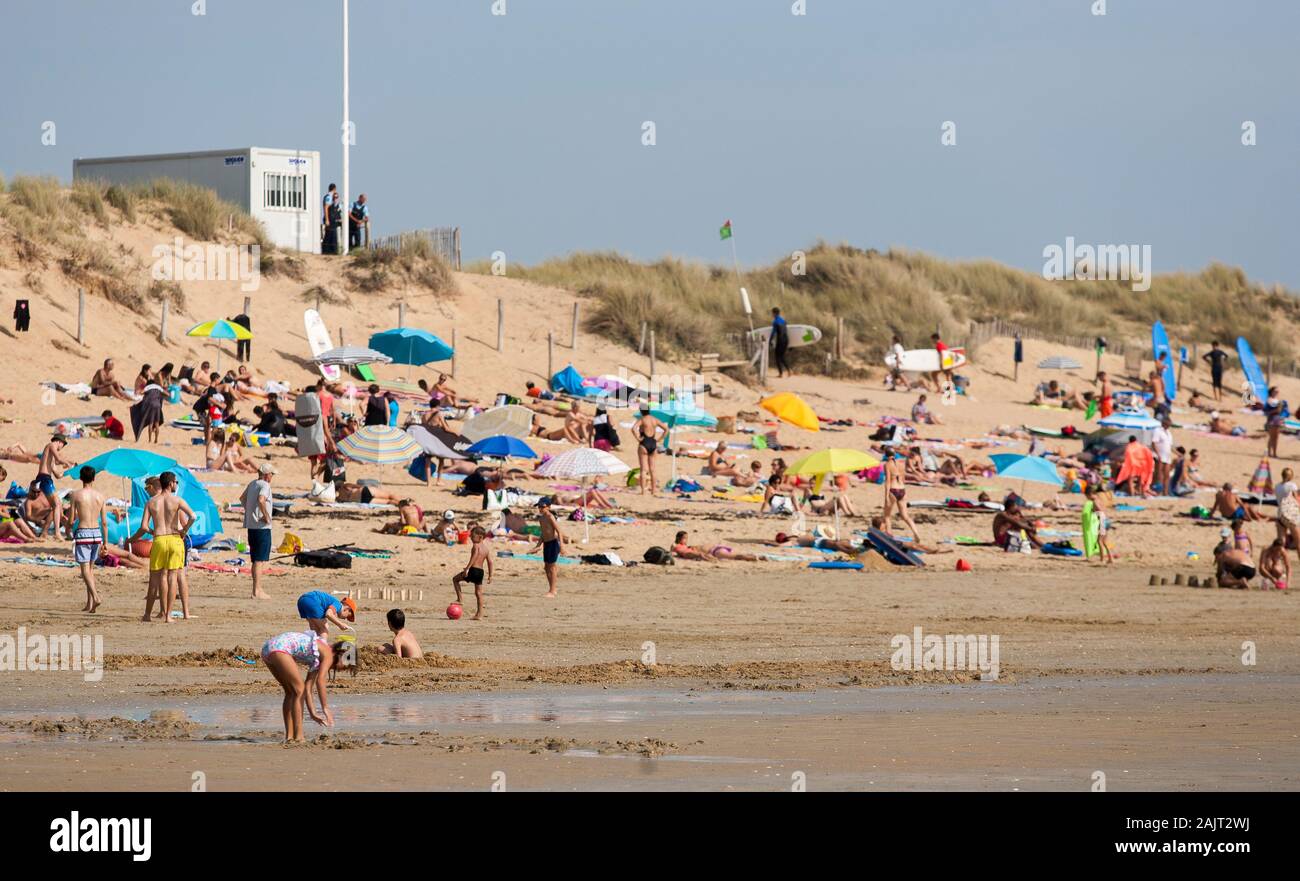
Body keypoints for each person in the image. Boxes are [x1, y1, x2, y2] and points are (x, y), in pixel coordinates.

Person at [260, 631, 352, 742]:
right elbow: (320, 681)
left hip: (268, 649)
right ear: (342, 653)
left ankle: (289, 737)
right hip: (280, 648)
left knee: (291, 692)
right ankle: (299, 737)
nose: (344, 669)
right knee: (299, 691)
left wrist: (313, 713)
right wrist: (325, 708)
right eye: (347, 665)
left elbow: (308, 688)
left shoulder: (318, 656)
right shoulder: (328, 654)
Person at [129, 471, 195, 622]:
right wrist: (184, 530)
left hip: (159, 539)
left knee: (155, 579)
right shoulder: (177, 500)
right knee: (173, 577)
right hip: (175, 539)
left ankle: (147, 614)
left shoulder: (151, 502)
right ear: (171, 483)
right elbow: (193, 516)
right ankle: (168, 615)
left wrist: (153, 531)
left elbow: (144, 527)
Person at [68, 465, 108, 613]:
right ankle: (90, 604)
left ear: (80, 478)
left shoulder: (76, 495)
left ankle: (96, 597)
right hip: (96, 533)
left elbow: (72, 520)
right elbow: (104, 522)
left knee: (85, 569)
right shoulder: (100, 496)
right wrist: (106, 542)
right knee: (90, 570)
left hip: (83, 532)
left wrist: (67, 525)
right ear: (94, 478)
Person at [243, 463, 277, 600]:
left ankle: (256, 588)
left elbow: (242, 499)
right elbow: (261, 500)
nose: (272, 477)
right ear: (267, 474)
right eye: (272, 474)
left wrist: (251, 513)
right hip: (261, 528)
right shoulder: (265, 485)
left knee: (256, 559)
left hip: (251, 526)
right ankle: (257, 590)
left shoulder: (252, 484)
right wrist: (266, 516)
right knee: (259, 560)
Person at [36, 434, 74, 540]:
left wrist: (69, 471)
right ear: (59, 442)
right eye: (63, 444)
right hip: (44, 478)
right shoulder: (51, 445)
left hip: (46, 479)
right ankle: (57, 533)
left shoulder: (50, 458)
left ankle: (44, 532)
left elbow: (58, 475)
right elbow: (59, 458)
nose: (62, 447)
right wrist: (68, 463)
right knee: (57, 504)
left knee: (56, 506)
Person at [452, 526, 493, 620]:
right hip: (480, 572)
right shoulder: (486, 549)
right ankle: (479, 614)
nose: (470, 537)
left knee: (455, 579)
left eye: (472, 536)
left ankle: (460, 599)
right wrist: (490, 575)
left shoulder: (476, 546)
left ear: (480, 537)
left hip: (473, 570)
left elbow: (474, 556)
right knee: (479, 593)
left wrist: (467, 568)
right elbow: (490, 562)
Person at [881, 450, 920, 542]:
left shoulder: (887, 464)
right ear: (894, 454)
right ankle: (916, 532)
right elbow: (903, 479)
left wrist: (886, 496)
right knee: (905, 515)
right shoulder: (901, 464)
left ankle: (889, 536)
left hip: (893, 489)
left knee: (887, 516)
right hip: (902, 489)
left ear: (886, 455)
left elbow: (888, 481)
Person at [532, 497, 564, 598]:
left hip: (553, 543)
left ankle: (552, 591)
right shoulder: (541, 519)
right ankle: (552, 588)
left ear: (549, 507)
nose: (540, 509)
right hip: (546, 543)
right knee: (546, 567)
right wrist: (537, 546)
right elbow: (543, 534)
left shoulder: (550, 517)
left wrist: (562, 546)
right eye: (539, 507)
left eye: (543, 507)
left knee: (552, 567)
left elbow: (559, 531)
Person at [632, 405, 666, 496]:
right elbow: (666, 429)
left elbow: (633, 428)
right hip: (653, 443)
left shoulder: (642, 419)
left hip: (644, 443)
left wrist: (638, 438)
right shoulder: (654, 419)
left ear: (641, 411)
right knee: (653, 469)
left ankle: (643, 491)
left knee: (643, 469)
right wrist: (659, 439)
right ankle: (653, 490)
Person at [672, 530, 760, 562]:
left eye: (686, 538)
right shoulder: (680, 547)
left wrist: (707, 557)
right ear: (679, 538)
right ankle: (758, 557)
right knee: (738, 555)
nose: (686, 540)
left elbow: (696, 554)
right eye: (684, 538)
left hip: (716, 551)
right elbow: (686, 553)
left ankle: (751, 557)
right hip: (718, 548)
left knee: (737, 556)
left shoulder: (686, 548)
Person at [1275, 466, 1300, 564]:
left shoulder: (1277, 486)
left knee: (1281, 543)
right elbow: (1295, 499)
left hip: (1281, 513)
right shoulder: (1292, 485)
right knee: (1298, 542)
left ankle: (1279, 563)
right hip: (1291, 514)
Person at [1151, 418, 1174, 495]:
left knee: (1167, 474)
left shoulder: (1169, 433)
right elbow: (1154, 443)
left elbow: (1170, 445)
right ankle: (1158, 491)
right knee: (1159, 474)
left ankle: (1165, 492)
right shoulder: (1158, 431)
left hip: (1167, 456)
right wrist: (1158, 454)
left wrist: (1178, 454)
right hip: (1160, 456)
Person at [1263, 386, 1288, 459]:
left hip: (1277, 419)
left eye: (1277, 391)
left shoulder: (1277, 400)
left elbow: (1280, 411)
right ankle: (1269, 453)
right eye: (1275, 391)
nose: (1277, 392)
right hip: (1271, 419)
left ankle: (1274, 453)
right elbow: (1266, 411)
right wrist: (1276, 410)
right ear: (1272, 391)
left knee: (1276, 437)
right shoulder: (1269, 400)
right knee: (1272, 437)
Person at [771, 307, 791, 377]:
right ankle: (789, 370)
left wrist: (770, 340)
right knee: (782, 357)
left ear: (774, 313)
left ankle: (781, 374)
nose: (772, 314)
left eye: (772, 313)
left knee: (777, 357)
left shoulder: (775, 322)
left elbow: (773, 332)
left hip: (780, 341)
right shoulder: (783, 320)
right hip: (786, 340)